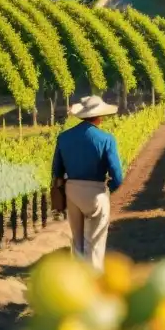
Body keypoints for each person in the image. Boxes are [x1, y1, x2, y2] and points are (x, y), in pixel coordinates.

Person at [51, 95, 122, 270]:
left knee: (78, 241)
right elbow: (117, 175)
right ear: (100, 116)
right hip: (95, 191)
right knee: (95, 243)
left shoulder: (64, 137)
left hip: (72, 191)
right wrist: (110, 189)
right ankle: (94, 283)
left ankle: (78, 282)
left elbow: (56, 171)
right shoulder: (106, 139)